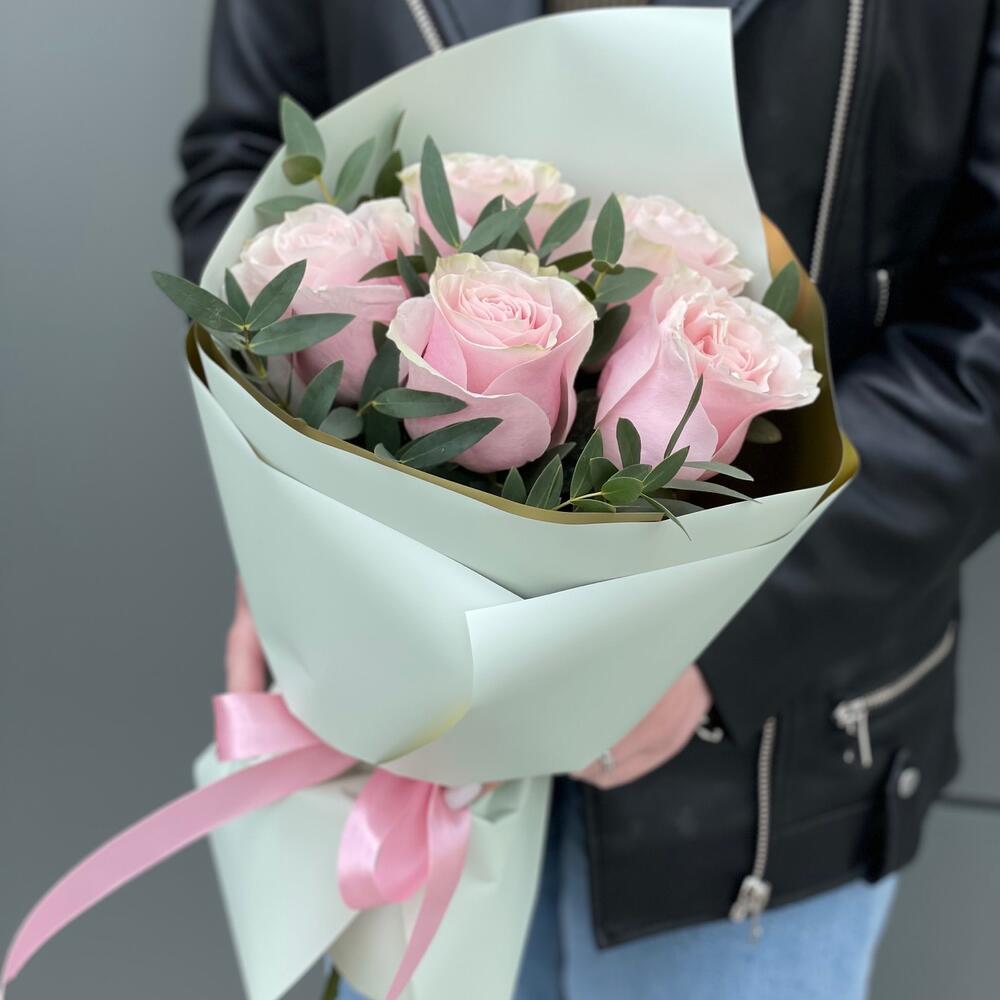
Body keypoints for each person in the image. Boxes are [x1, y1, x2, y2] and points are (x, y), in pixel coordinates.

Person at [172, 2, 1000, 997]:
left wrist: (724, 620)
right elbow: (246, 163)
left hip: (759, 769)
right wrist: (301, 530)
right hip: (406, 717)